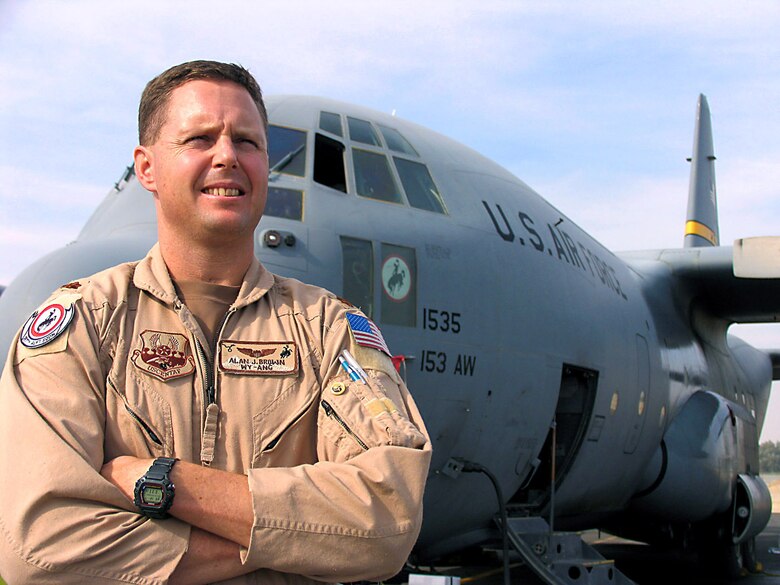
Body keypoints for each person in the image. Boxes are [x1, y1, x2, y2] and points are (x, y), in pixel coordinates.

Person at [0, 60, 431, 585]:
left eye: (247, 142)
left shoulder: (330, 330)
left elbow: (386, 522)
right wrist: (291, 542)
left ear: (266, 165)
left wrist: (164, 484)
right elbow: (38, 549)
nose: (227, 156)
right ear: (147, 168)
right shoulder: (87, 324)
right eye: (200, 138)